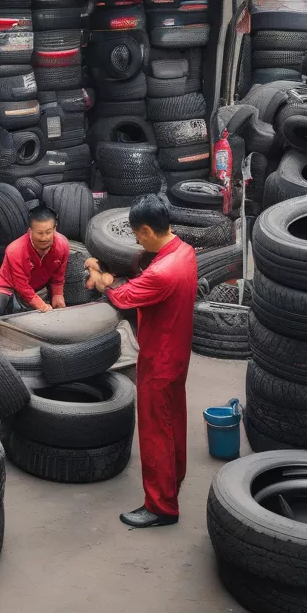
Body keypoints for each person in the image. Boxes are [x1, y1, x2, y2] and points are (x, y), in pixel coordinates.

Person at [85, 193, 197, 529]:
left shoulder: (161, 274)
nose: (136, 240)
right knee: (173, 420)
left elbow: (120, 296)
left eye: (137, 235)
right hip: (178, 353)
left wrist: (97, 272)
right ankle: (173, 479)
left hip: (158, 359)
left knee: (155, 430)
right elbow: (142, 268)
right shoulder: (184, 251)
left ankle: (161, 506)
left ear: (147, 230)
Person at [0, 205, 69, 316]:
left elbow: (58, 277)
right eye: (39, 233)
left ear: (55, 229)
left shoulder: (63, 245)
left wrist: (58, 295)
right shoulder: (15, 250)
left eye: (48, 232)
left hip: (38, 288)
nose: (44, 238)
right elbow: (22, 286)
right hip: (9, 287)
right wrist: (42, 306)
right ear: (30, 231)